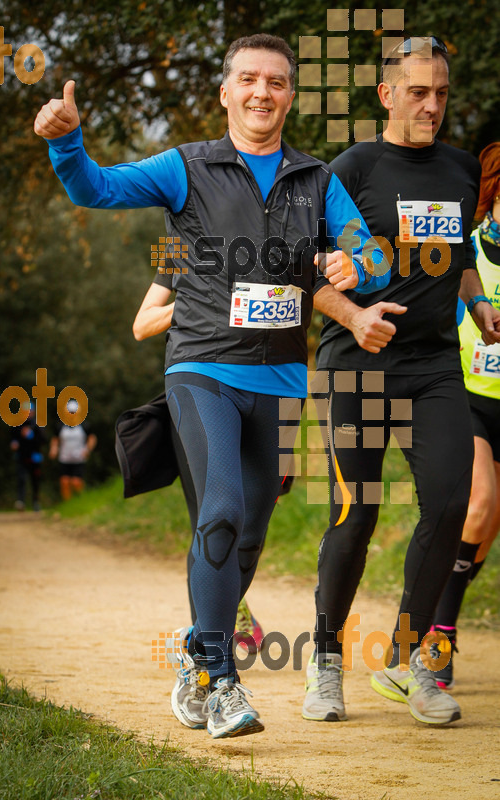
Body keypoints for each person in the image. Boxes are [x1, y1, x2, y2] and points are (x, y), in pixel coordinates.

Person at [34, 33, 387, 739]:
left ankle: (197, 659)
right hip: (201, 368)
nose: (262, 92)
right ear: (225, 92)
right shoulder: (184, 167)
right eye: (248, 80)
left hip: (282, 380)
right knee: (219, 508)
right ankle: (223, 683)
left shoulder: (315, 179)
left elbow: (370, 250)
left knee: (248, 537)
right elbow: (94, 188)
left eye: (277, 82)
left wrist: (361, 267)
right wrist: (68, 143)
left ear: (291, 94)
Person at [304, 36, 500, 727]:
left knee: (449, 505)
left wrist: (475, 300)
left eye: (441, 93)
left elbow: (455, 256)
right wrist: (354, 317)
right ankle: (324, 660)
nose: (431, 106)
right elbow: (307, 272)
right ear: (385, 94)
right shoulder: (349, 170)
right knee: (354, 514)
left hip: (433, 366)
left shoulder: (458, 169)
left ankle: (412, 658)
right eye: (417, 92)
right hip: (357, 364)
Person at [133, 270, 265, 654]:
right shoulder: (180, 252)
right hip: (199, 393)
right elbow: (142, 325)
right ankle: (207, 648)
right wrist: (199, 304)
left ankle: (225, 608)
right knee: (211, 518)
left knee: (252, 521)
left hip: (265, 391)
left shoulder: (272, 235)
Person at [431, 142, 500, 689]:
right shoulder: (466, 250)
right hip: (467, 397)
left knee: (488, 527)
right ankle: (439, 632)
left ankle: (439, 605)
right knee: (479, 506)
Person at [49, 399, 97, 500]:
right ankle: (67, 502)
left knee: (76, 482)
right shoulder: (60, 426)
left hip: (79, 458)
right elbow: (55, 439)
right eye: (70, 412)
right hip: (65, 458)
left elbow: (92, 438)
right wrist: (54, 449)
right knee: (64, 481)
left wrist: (87, 450)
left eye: (73, 412)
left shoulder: (84, 426)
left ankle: (82, 499)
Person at [10, 403, 46, 511]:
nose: (28, 413)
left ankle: (36, 502)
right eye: (26, 411)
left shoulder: (37, 424)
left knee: (35, 480)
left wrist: (32, 436)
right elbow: (13, 439)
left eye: (30, 411)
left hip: (34, 457)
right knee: (21, 478)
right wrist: (14, 443)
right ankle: (21, 501)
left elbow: (43, 440)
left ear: (33, 412)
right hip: (21, 456)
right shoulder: (17, 425)